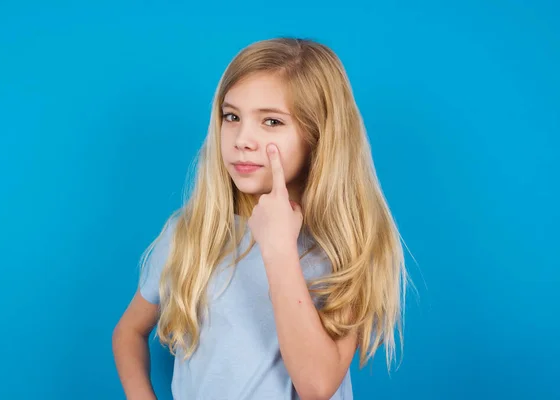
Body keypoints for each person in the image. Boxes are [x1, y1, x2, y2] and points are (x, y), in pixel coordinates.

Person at [112, 37, 407, 400]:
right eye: (231, 116)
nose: (242, 139)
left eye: (271, 121)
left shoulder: (347, 250)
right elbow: (128, 331)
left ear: (318, 135)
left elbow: (316, 385)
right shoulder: (192, 233)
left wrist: (278, 248)